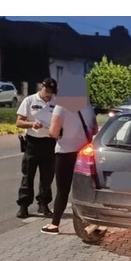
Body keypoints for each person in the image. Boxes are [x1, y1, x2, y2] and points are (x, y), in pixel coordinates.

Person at [41, 99, 98, 234]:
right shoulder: (88, 105)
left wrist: (56, 131)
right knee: (85, 189)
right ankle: (90, 222)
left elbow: (53, 132)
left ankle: (55, 224)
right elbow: (94, 129)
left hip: (65, 152)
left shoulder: (61, 106)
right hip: (85, 152)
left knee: (62, 190)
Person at [15, 77, 58, 219]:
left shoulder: (56, 103)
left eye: (51, 92)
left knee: (47, 177)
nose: (48, 94)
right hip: (32, 143)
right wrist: (32, 124)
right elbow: (19, 122)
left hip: (49, 143)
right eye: (47, 90)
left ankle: (43, 205)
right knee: (28, 176)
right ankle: (24, 206)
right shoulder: (29, 100)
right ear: (42, 87)